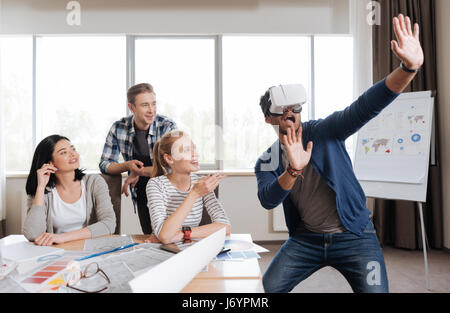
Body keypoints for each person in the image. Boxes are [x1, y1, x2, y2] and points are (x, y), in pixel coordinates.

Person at [255, 14, 424, 293]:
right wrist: (293, 171)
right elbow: (267, 199)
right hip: (306, 241)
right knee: (263, 291)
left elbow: (365, 106)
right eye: (281, 111)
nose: (289, 115)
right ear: (268, 119)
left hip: (355, 237)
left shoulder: (324, 131)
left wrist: (408, 68)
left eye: (294, 108)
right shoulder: (267, 160)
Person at [99, 83, 177, 234]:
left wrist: (139, 172)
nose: (151, 110)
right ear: (132, 107)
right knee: (150, 236)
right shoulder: (118, 128)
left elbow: (172, 166)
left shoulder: (167, 126)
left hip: (168, 191)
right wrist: (127, 166)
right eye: (145, 105)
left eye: (154, 104)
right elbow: (104, 164)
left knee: (168, 236)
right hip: (142, 192)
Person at [23, 135, 116, 245]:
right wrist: (40, 187)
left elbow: (109, 224)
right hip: (57, 252)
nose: (73, 154)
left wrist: (62, 238)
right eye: (63, 152)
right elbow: (33, 234)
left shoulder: (94, 182)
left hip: (90, 251)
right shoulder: (43, 190)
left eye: (73, 149)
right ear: (50, 163)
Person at [146, 131, 231, 244]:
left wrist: (182, 234)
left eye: (194, 148)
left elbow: (225, 226)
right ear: (169, 158)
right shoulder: (156, 185)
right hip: (165, 251)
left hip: (191, 246)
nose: (195, 154)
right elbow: (165, 236)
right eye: (186, 150)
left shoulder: (200, 182)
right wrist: (194, 194)